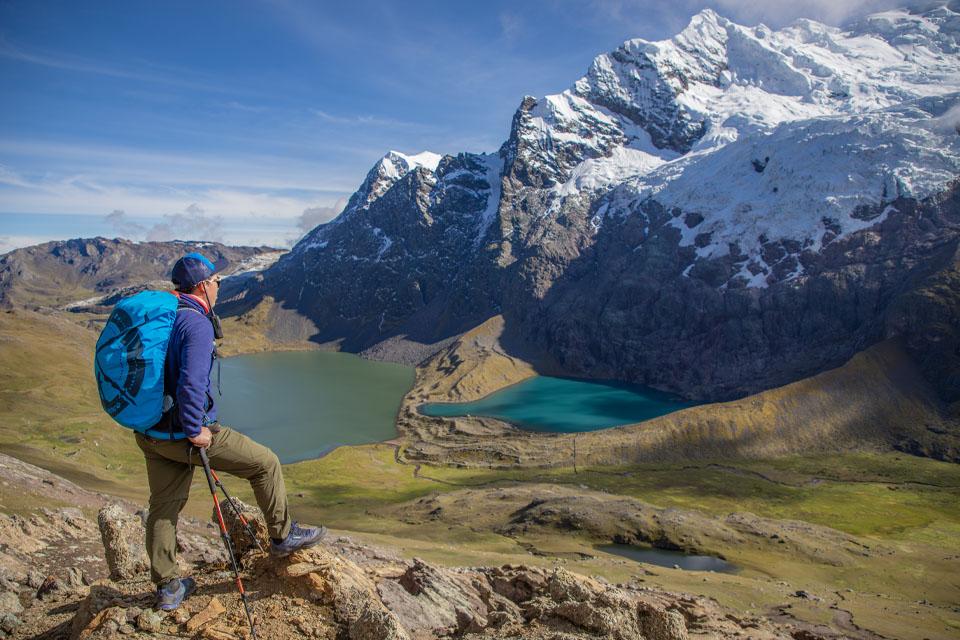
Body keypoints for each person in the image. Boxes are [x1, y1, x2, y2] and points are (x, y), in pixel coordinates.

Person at [135, 253, 325, 611]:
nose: (219, 287)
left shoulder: (164, 316)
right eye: (217, 282)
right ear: (204, 285)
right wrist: (196, 431)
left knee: (163, 507)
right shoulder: (195, 324)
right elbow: (191, 384)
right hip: (183, 434)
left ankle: (168, 586)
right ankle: (283, 536)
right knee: (265, 463)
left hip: (150, 432)